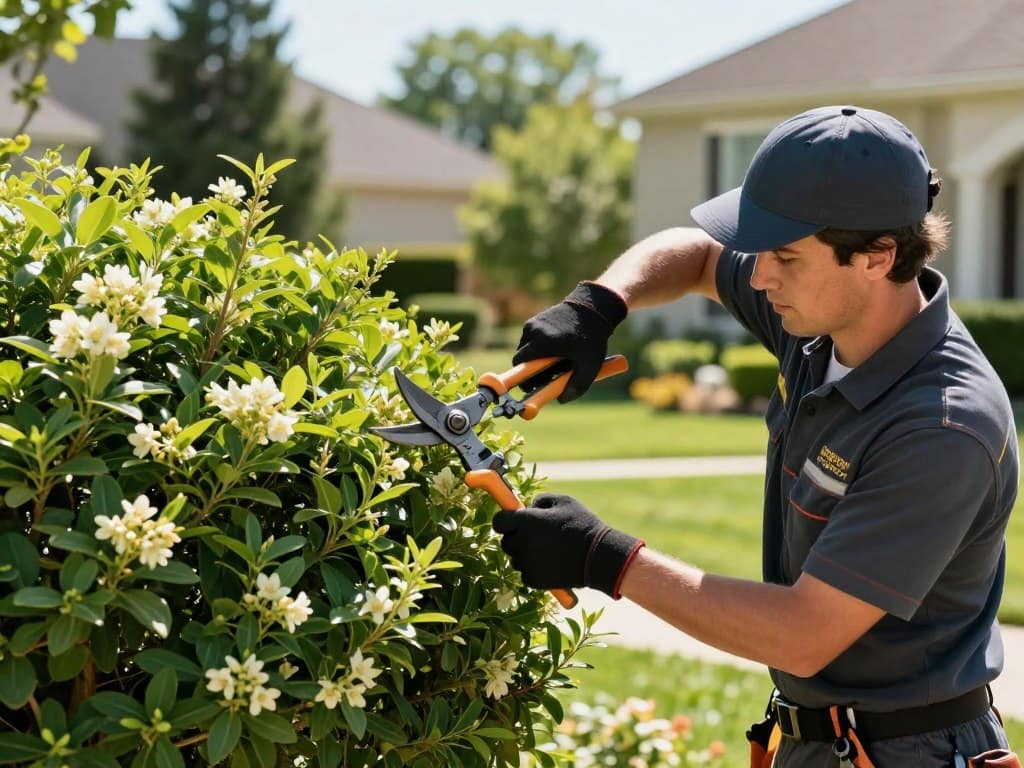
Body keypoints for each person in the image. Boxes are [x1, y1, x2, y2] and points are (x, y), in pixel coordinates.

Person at [492, 105, 1020, 768]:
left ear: (878, 257)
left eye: (785, 257)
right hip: (820, 740)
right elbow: (700, 257)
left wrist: (606, 558)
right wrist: (600, 303)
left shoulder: (942, 424)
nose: (760, 274)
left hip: (911, 752)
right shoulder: (820, 320)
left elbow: (803, 634)